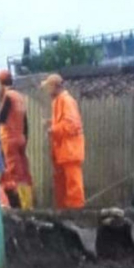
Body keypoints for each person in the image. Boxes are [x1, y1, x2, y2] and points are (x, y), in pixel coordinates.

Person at [41, 74, 86, 209]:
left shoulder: (66, 101)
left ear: (55, 86)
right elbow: (65, 121)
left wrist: (52, 129)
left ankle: (75, 214)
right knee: (63, 186)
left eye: (48, 87)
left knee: (73, 186)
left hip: (70, 151)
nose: (47, 91)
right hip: (63, 151)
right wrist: (51, 122)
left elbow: (72, 125)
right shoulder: (59, 100)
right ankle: (64, 214)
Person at [0, 70, 34, 209]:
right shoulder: (19, 97)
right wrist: (24, 139)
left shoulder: (8, 96)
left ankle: (22, 209)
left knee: (14, 175)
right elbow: (25, 123)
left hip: (10, 140)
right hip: (20, 139)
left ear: (0, 83)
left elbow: (1, 118)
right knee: (24, 174)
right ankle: (29, 206)